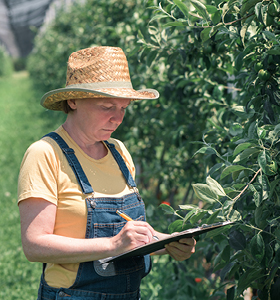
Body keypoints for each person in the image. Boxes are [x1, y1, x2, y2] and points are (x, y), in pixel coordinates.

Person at [17, 46, 196, 299]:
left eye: (123, 108)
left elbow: (127, 237)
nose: (117, 118)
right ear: (73, 100)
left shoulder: (119, 152)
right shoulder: (45, 153)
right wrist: (112, 245)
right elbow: (35, 245)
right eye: (106, 106)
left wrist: (168, 243)